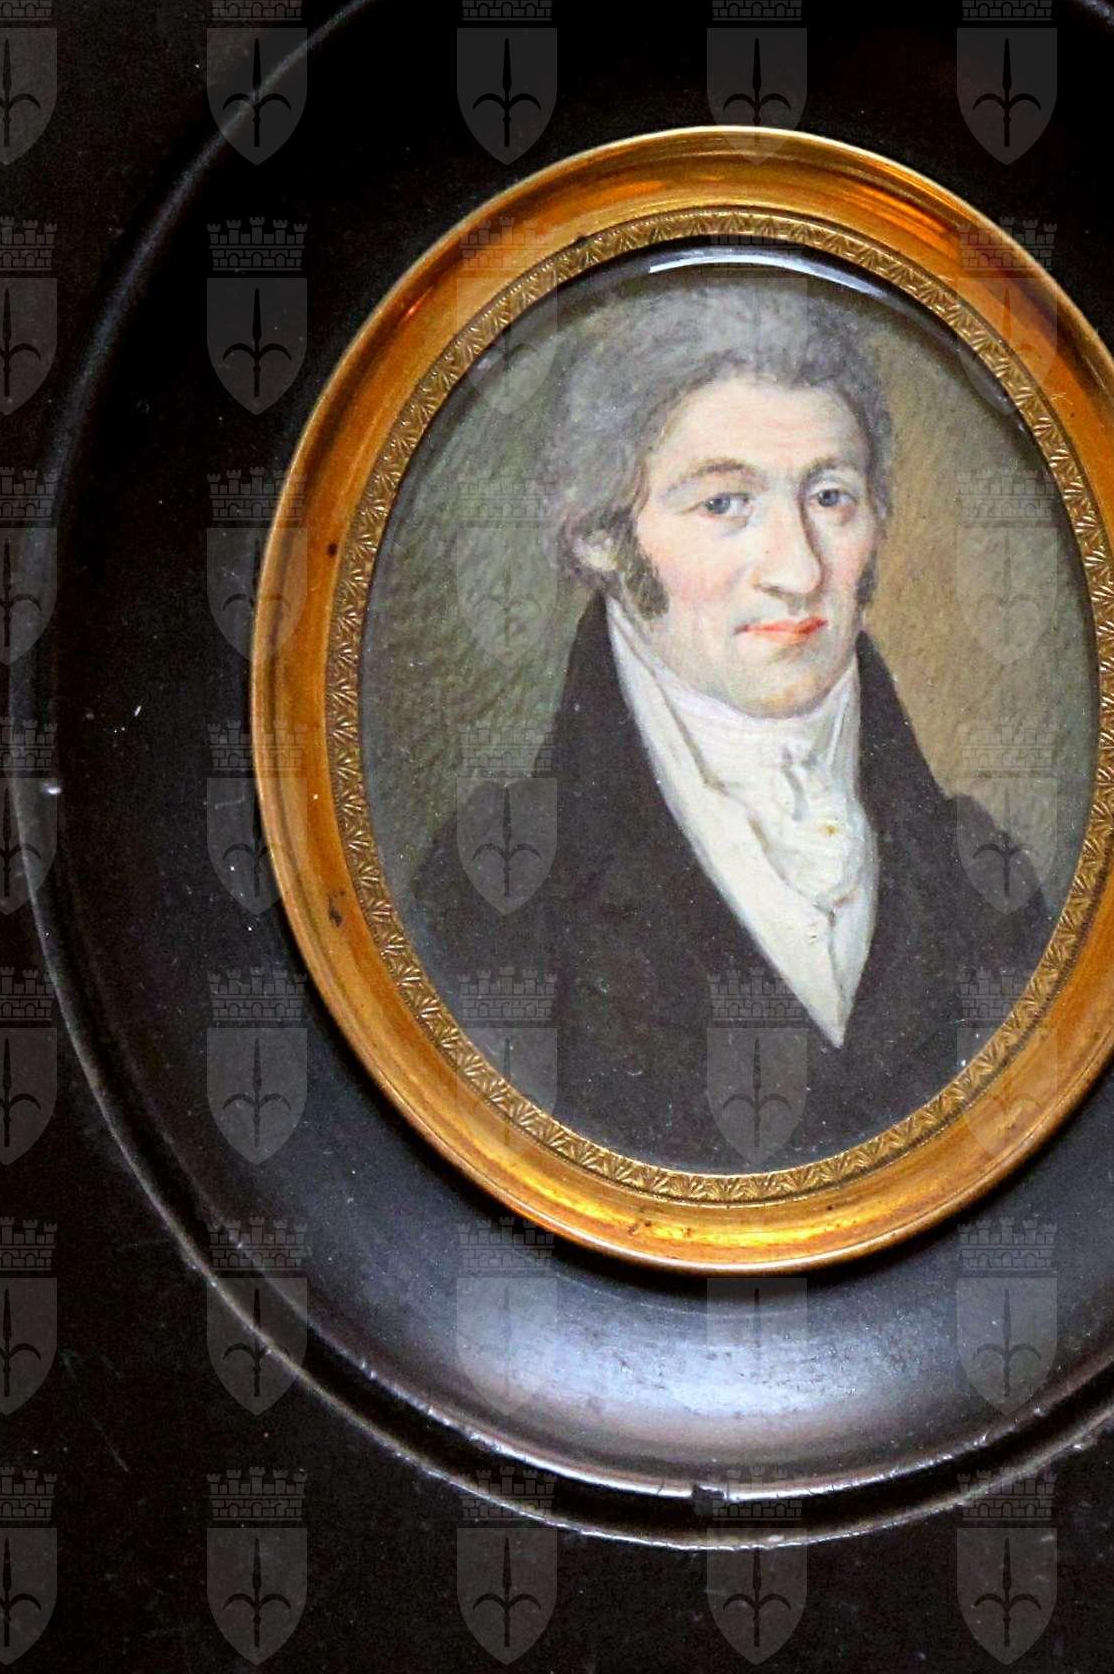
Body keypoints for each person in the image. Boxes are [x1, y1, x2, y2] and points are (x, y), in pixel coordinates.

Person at [410, 271, 1054, 1168]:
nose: (798, 570)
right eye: (724, 503)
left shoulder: (983, 876)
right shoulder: (495, 891)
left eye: (829, 496)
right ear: (603, 536)